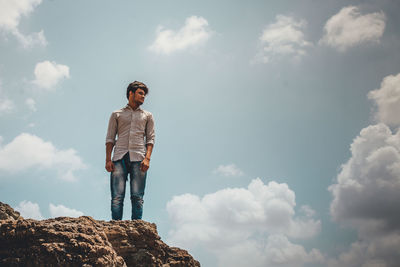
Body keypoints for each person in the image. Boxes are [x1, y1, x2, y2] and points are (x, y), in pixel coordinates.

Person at [105, 81, 155, 220]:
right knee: (117, 197)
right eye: (140, 93)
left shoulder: (148, 116)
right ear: (130, 93)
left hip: (139, 158)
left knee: (137, 197)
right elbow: (110, 138)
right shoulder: (116, 114)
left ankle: (137, 229)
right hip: (119, 157)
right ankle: (116, 226)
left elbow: (150, 139)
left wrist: (147, 158)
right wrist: (108, 159)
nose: (143, 96)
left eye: (144, 94)